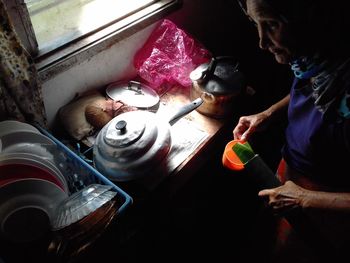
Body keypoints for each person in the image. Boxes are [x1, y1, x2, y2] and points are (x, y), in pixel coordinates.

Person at [233, 0, 350, 262]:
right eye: (255, 24)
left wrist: (305, 199)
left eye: (272, 24)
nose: (262, 42)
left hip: (326, 204)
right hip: (292, 178)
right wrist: (268, 114)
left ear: (310, 19)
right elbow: (311, 89)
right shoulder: (317, 55)